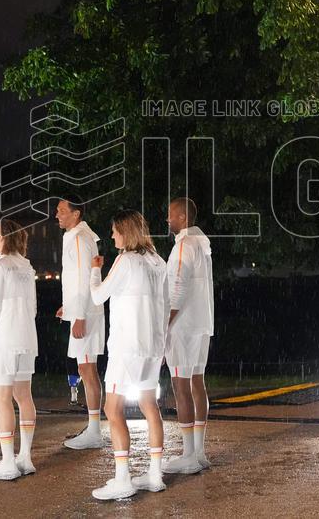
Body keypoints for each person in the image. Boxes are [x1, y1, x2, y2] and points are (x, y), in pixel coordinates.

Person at [88, 209, 169, 501]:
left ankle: (123, 479)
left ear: (126, 231)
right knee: (150, 405)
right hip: (152, 347)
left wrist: (95, 270)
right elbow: (166, 306)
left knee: (113, 409)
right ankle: (155, 475)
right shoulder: (158, 261)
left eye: (115, 231)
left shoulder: (125, 261)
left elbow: (98, 296)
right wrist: (162, 346)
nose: (112, 236)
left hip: (125, 348)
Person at [0, 218, 39, 480]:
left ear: (2, 238)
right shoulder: (26, 266)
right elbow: (34, 308)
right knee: (24, 397)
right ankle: (24, 457)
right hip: (27, 338)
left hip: (4, 339)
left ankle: (7, 462)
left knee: (2, 399)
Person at [161, 197, 214, 475]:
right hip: (201, 323)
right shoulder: (202, 245)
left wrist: (164, 326)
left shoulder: (184, 245)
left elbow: (177, 290)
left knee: (180, 385)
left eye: (170, 215)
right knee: (197, 382)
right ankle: (199, 452)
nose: (167, 219)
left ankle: (188, 455)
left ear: (182, 217)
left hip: (183, 325)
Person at [55, 195, 106, 449]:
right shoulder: (78, 237)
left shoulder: (79, 238)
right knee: (87, 369)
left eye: (62, 211)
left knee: (87, 370)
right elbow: (76, 280)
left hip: (86, 314)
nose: (57, 215)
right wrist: (70, 308)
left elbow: (85, 278)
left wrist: (80, 315)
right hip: (83, 310)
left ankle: (94, 431)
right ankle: (93, 427)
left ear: (76, 214)